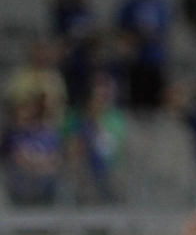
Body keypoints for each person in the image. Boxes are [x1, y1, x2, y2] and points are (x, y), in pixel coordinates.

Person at [61, 73, 126, 203]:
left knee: (116, 180)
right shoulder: (74, 119)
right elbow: (69, 146)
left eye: (104, 96)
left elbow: (111, 150)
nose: (100, 101)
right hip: (81, 169)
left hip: (107, 169)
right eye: (97, 96)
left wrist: (98, 128)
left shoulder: (115, 119)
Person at [115, 0, 171, 112]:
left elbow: (165, 31)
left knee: (155, 103)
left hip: (155, 59)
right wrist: (134, 38)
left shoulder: (160, 4)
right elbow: (121, 31)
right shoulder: (130, 4)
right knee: (137, 103)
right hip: (137, 60)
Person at [0, 95, 62, 205]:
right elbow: (19, 158)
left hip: (46, 186)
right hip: (20, 188)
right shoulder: (12, 136)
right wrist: (37, 163)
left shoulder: (47, 135)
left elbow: (55, 159)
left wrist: (39, 164)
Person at [51, 0, 98, 107]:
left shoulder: (86, 9)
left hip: (85, 60)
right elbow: (58, 35)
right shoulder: (63, 11)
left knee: (85, 93)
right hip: (69, 60)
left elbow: (93, 32)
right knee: (68, 93)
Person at [5, 39, 67, 122]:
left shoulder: (53, 76)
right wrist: (33, 99)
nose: (41, 56)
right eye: (38, 53)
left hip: (47, 121)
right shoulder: (21, 74)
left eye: (43, 53)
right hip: (24, 119)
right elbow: (14, 98)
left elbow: (59, 99)